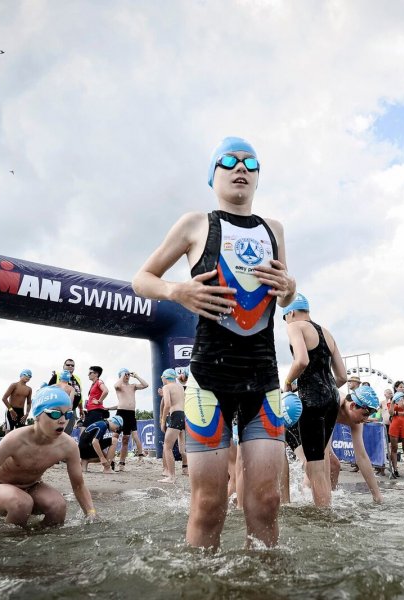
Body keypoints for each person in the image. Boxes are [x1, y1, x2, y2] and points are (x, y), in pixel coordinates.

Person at [132, 136, 296, 549]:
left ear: (257, 177)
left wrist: (291, 287)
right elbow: (141, 280)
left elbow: (283, 294)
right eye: (228, 161)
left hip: (263, 380)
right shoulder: (195, 224)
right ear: (213, 175)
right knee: (208, 504)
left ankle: (263, 587)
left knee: (267, 500)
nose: (240, 167)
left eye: (250, 163)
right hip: (208, 382)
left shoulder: (273, 229)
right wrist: (177, 292)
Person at [0, 386, 96, 526]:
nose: (63, 420)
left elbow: (79, 485)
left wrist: (91, 513)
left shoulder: (68, 445)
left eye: (68, 414)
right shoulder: (15, 439)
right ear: (38, 415)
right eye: (55, 413)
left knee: (58, 506)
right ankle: (4, 542)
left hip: (33, 486)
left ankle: (37, 543)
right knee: (22, 503)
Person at [280, 292, 347, 507]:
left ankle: (324, 516)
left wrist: (288, 383)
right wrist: (324, 391)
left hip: (312, 401)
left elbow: (301, 360)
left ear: (290, 313)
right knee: (323, 459)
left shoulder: (295, 327)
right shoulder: (328, 333)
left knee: (315, 466)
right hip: (332, 399)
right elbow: (342, 377)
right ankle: (326, 505)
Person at [114, 368, 149, 471]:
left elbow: (146, 385)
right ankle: (110, 460)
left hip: (130, 414)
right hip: (121, 413)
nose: (127, 375)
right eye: (125, 374)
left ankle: (122, 463)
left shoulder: (133, 386)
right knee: (115, 437)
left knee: (126, 439)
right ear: (121, 376)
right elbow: (116, 386)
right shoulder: (119, 386)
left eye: (128, 374)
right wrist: (122, 376)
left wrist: (137, 376)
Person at [159, 368, 186, 483]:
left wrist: (163, 421)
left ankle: (171, 476)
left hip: (175, 415)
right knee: (182, 449)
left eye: (162, 378)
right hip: (183, 415)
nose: (162, 380)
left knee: (167, 447)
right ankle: (187, 470)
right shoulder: (180, 387)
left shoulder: (166, 387)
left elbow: (167, 405)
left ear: (165, 378)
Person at [48, 359, 84, 428]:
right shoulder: (57, 375)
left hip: (72, 410)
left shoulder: (77, 378)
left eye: (72, 365)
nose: (70, 366)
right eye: (68, 365)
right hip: (57, 410)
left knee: (68, 430)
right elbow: (48, 391)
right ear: (63, 366)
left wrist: (81, 409)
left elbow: (79, 394)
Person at [387, 384, 404, 479]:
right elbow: (390, 412)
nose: (402, 388)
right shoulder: (392, 400)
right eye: (400, 386)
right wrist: (393, 402)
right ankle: (395, 469)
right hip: (395, 425)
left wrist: (397, 413)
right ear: (396, 388)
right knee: (394, 448)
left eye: (403, 386)